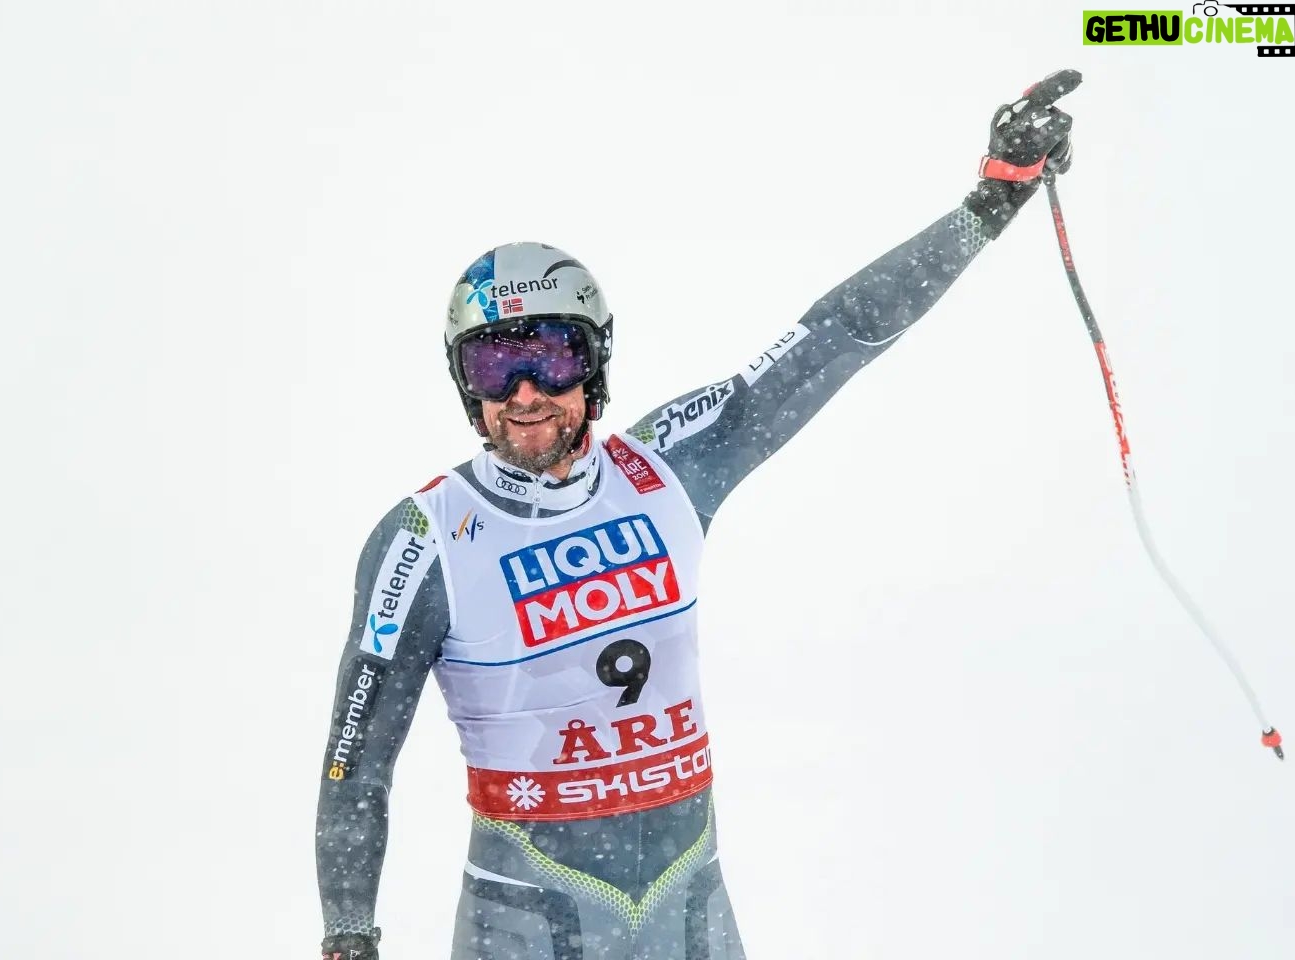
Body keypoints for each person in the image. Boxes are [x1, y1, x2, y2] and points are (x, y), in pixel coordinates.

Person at [316, 70, 1082, 960]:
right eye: (494, 366)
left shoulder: (665, 468)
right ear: (464, 383)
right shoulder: (425, 540)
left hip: (690, 912)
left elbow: (835, 335)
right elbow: (355, 764)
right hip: (524, 922)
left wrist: (989, 204)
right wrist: (348, 938)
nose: (524, 394)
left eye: (553, 358)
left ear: (595, 366)